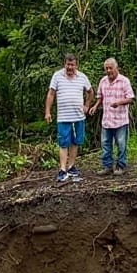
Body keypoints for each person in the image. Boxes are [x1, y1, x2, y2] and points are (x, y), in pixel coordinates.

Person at [45, 53, 94, 183]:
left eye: (72, 65)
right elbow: (51, 94)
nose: (70, 67)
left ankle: (71, 167)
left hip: (78, 116)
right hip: (63, 117)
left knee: (76, 141)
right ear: (64, 64)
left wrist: (87, 105)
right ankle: (62, 169)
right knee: (63, 142)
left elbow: (90, 92)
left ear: (76, 65)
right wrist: (48, 112)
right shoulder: (57, 76)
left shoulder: (82, 77)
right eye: (68, 64)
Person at [88, 57, 135, 176]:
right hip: (107, 119)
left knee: (121, 144)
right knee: (105, 144)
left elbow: (131, 98)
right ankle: (107, 166)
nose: (108, 71)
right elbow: (100, 97)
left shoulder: (124, 81)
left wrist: (118, 103)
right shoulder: (103, 81)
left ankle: (121, 166)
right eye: (106, 68)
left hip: (120, 120)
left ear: (116, 68)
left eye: (110, 68)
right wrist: (95, 106)